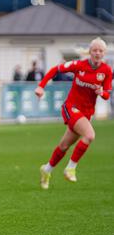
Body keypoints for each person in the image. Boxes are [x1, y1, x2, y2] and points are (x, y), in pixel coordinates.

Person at [35, 37, 112, 189]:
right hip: (71, 107)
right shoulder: (78, 65)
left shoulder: (107, 71)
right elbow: (55, 70)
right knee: (89, 135)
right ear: (89, 52)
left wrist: (101, 92)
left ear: (104, 53)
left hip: (86, 113)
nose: (97, 53)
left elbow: (107, 94)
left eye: (100, 50)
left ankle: (46, 169)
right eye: (94, 50)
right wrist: (41, 86)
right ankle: (70, 168)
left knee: (64, 146)